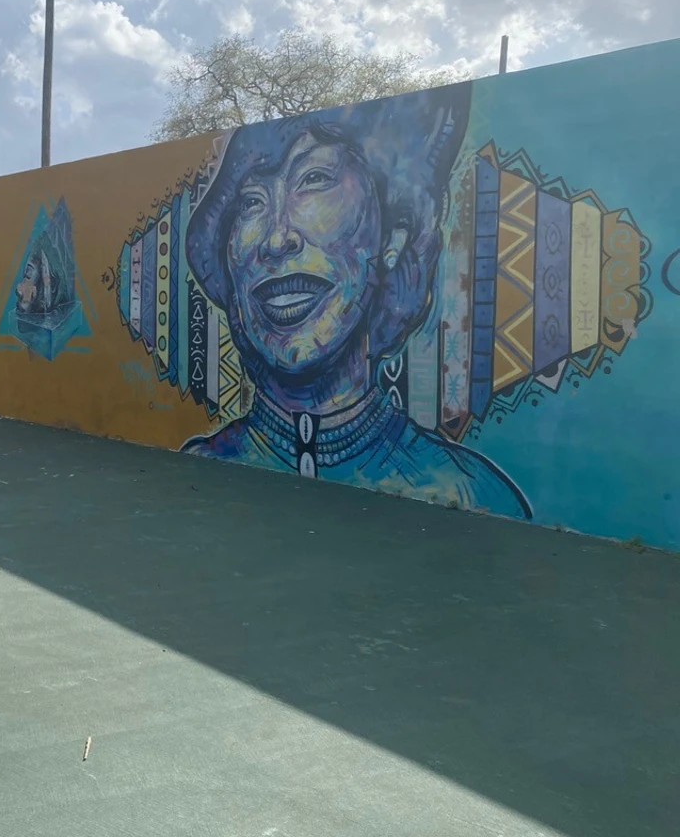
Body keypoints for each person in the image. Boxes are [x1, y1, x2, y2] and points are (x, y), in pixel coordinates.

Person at [180, 83, 533, 520]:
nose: (276, 238)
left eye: (313, 180)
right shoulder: (202, 467)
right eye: (252, 203)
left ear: (391, 239)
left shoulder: (472, 495)